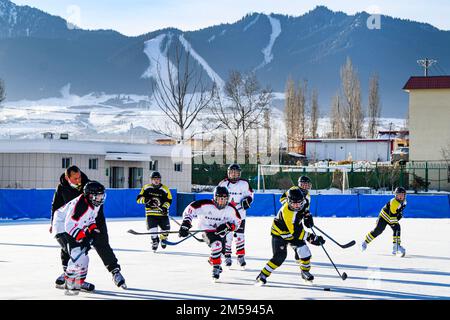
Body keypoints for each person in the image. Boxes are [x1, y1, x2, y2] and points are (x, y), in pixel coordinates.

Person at [50, 166, 126, 291]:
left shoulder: (90, 187)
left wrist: (93, 227)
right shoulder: (62, 188)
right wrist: (53, 223)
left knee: (101, 245)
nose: (78, 180)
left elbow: (94, 212)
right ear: (67, 178)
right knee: (73, 250)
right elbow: (57, 207)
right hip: (68, 224)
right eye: (75, 178)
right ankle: (69, 276)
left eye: (79, 176)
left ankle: (115, 271)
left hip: (91, 222)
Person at [256, 188, 325, 285]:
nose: (296, 205)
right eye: (293, 203)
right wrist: (312, 238)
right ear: (288, 201)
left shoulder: (305, 202)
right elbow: (297, 233)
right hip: (280, 234)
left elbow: (304, 211)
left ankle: (305, 272)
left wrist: (307, 216)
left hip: (293, 231)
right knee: (279, 257)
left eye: (299, 203)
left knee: (304, 251)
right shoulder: (288, 212)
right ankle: (262, 275)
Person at [52, 181, 105, 295]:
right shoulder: (80, 205)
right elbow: (69, 225)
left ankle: (78, 282)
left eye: (102, 195)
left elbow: (90, 218)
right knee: (77, 254)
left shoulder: (95, 203)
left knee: (83, 256)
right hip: (62, 226)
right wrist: (83, 238)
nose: (101, 198)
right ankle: (70, 282)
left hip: (73, 225)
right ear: (90, 195)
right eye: (99, 195)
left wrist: (93, 229)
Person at [178, 186, 241, 282]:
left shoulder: (231, 209)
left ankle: (213, 260)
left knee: (221, 251)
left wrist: (228, 226)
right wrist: (186, 223)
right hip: (206, 230)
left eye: (224, 199)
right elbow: (190, 209)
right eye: (220, 198)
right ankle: (216, 268)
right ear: (215, 198)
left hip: (221, 233)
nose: (222, 201)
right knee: (217, 245)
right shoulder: (205, 204)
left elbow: (238, 223)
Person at [217, 164, 254, 269]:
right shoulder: (223, 183)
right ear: (228, 173)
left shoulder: (244, 183)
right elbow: (216, 196)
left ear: (239, 173)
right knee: (228, 237)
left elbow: (251, 194)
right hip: (226, 215)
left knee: (240, 236)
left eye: (236, 172)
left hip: (240, 214)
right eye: (232, 172)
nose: (234, 174)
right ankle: (227, 257)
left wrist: (249, 200)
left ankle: (240, 256)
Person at [279, 175, 315, 269]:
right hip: (288, 217)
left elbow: (306, 208)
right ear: (299, 184)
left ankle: (298, 255)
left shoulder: (308, 196)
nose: (305, 186)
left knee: (298, 236)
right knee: (292, 236)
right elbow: (282, 199)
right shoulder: (293, 189)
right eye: (303, 184)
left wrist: (307, 216)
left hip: (297, 218)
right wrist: (292, 208)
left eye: (307, 185)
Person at [361, 187, 407, 257]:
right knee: (378, 231)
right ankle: (365, 242)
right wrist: (397, 218)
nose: (401, 196)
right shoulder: (394, 202)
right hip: (384, 217)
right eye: (399, 194)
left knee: (397, 228)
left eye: (402, 194)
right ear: (395, 195)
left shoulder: (404, 202)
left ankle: (396, 246)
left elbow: (398, 212)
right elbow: (392, 218)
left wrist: (399, 215)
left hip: (391, 217)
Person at [136, 171, 173, 252]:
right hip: (151, 213)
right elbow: (138, 200)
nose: (156, 181)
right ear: (151, 180)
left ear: (160, 180)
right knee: (153, 230)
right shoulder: (146, 188)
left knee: (166, 230)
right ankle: (155, 240)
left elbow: (169, 200)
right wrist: (147, 200)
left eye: (158, 179)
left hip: (162, 214)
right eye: (154, 179)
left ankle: (163, 238)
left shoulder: (165, 189)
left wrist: (164, 207)